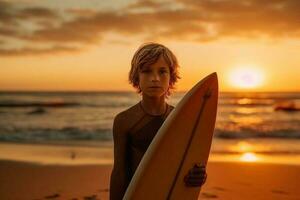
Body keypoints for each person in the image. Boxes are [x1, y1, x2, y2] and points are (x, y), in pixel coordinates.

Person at [109, 43, 207, 200]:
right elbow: (119, 172)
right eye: (146, 71)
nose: (155, 78)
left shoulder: (181, 119)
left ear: (171, 78)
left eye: (162, 72)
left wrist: (199, 174)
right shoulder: (124, 121)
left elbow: (189, 163)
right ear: (136, 78)